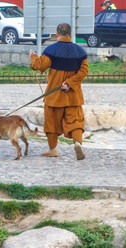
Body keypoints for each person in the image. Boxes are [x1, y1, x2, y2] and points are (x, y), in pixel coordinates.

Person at [29, 23, 89, 160]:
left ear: (56, 35)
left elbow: (39, 65)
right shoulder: (80, 52)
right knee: (75, 122)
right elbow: (84, 71)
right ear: (70, 35)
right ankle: (78, 143)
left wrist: (33, 56)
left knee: (52, 124)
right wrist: (69, 83)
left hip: (54, 96)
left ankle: (53, 149)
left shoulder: (51, 50)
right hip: (73, 95)